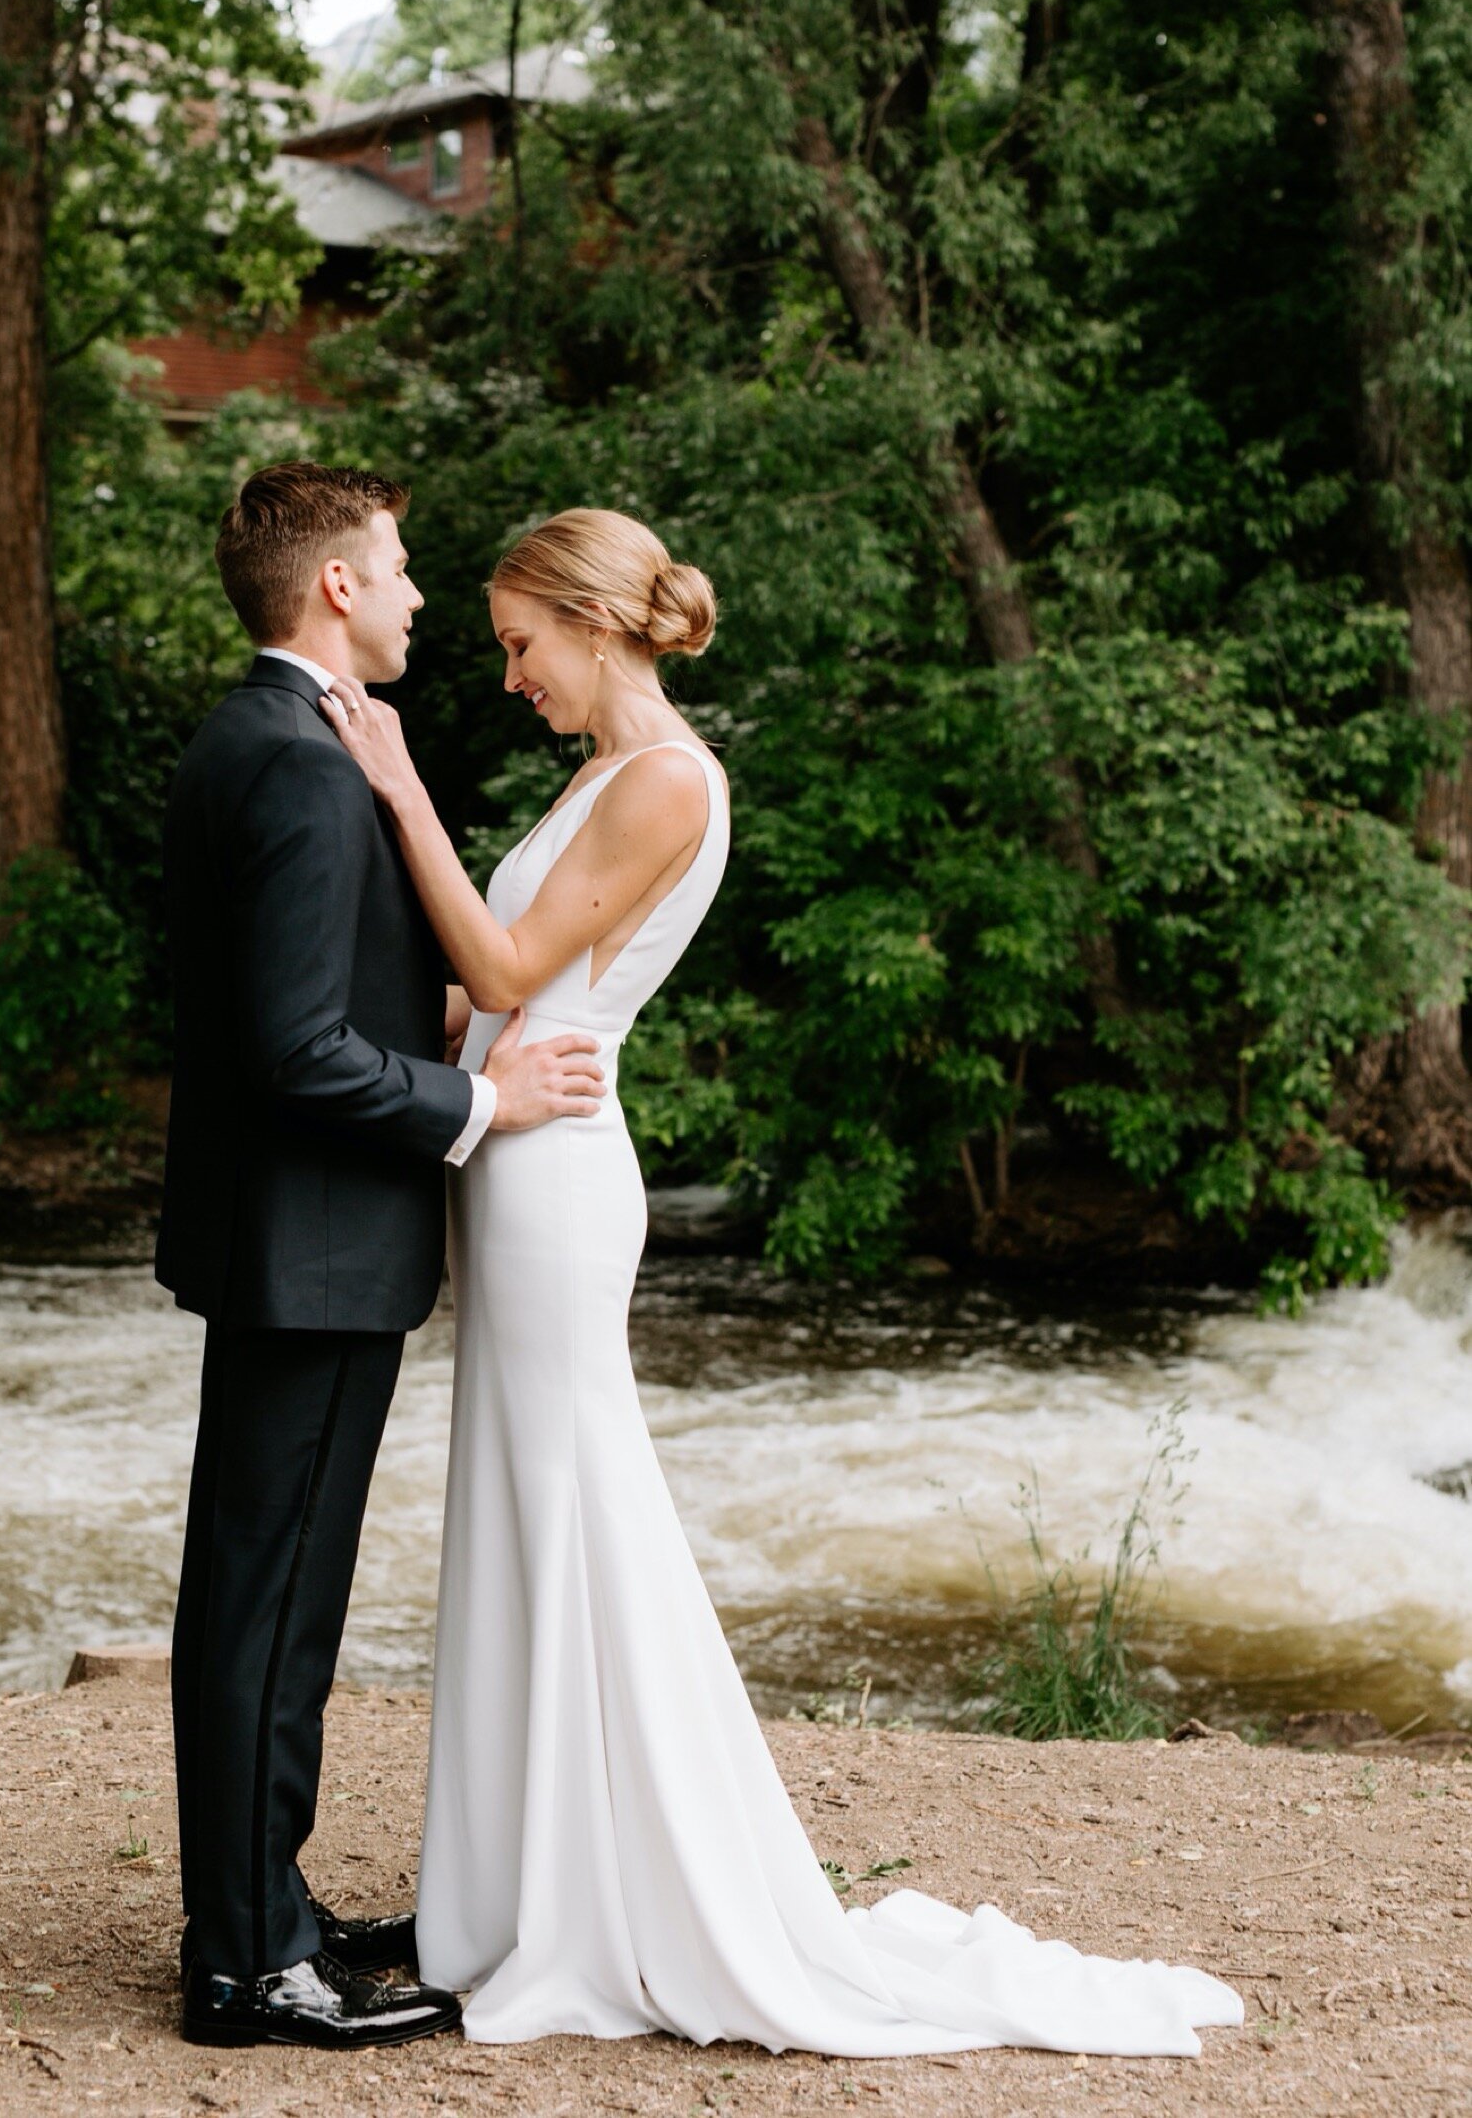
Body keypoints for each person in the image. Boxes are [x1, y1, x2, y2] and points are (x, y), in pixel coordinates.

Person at [323, 504, 1245, 2061]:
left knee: (574, 1502)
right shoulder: (614, 774)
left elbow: (501, 965)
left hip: (555, 1179)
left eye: (519, 642)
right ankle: (513, 1890)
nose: (508, 673)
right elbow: (488, 983)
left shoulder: (668, 779)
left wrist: (399, 784)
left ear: (592, 619)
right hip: (516, 1160)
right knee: (524, 1506)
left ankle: (605, 1895)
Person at [158, 462, 606, 2053]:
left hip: (293, 1239)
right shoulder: (293, 761)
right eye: (401, 568)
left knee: (260, 1597)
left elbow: (278, 1001)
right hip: (315, 1246)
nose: (417, 594)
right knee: (270, 1607)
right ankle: (247, 1963)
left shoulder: (261, 736)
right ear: (335, 585)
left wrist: (422, 1022)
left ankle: (257, 1910)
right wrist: (479, 1095)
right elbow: (290, 1049)